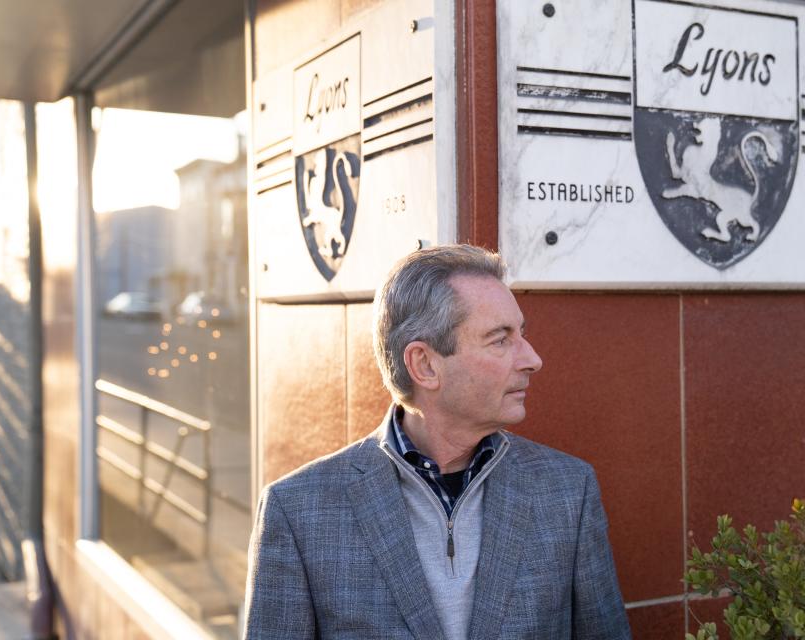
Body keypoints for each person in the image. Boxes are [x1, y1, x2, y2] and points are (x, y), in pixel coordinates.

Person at [243, 244, 632, 639]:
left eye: (521, 334)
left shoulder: (567, 490)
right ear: (425, 365)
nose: (532, 358)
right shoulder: (299, 511)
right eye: (500, 339)